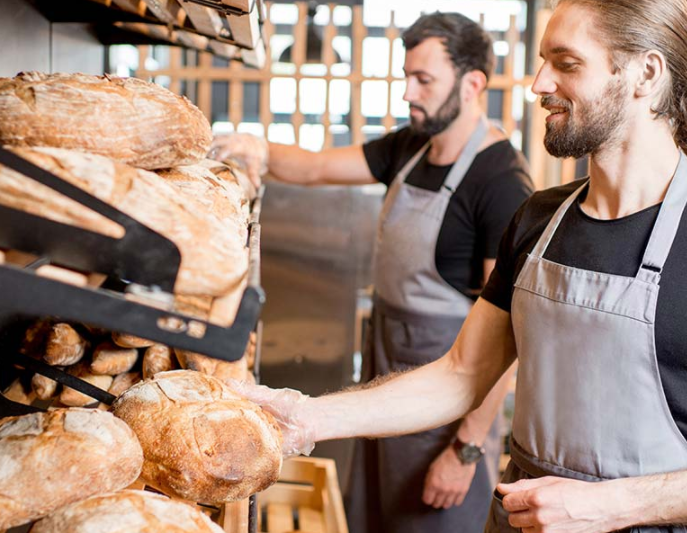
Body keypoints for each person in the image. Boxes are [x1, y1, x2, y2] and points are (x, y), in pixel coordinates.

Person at [227, 1, 687, 532]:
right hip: (516, 519)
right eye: (544, 62)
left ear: (646, 74)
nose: (540, 83)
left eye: (566, 63)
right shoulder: (538, 220)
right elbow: (462, 375)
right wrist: (307, 417)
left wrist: (607, 506)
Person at [212, 12, 534, 533]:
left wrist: (466, 450)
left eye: (423, 80)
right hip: (384, 386)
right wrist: (259, 150)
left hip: (444, 414)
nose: (408, 92)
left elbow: (507, 338)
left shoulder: (501, 183)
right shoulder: (410, 147)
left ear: (472, 84)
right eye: (407, 76)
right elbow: (315, 168)